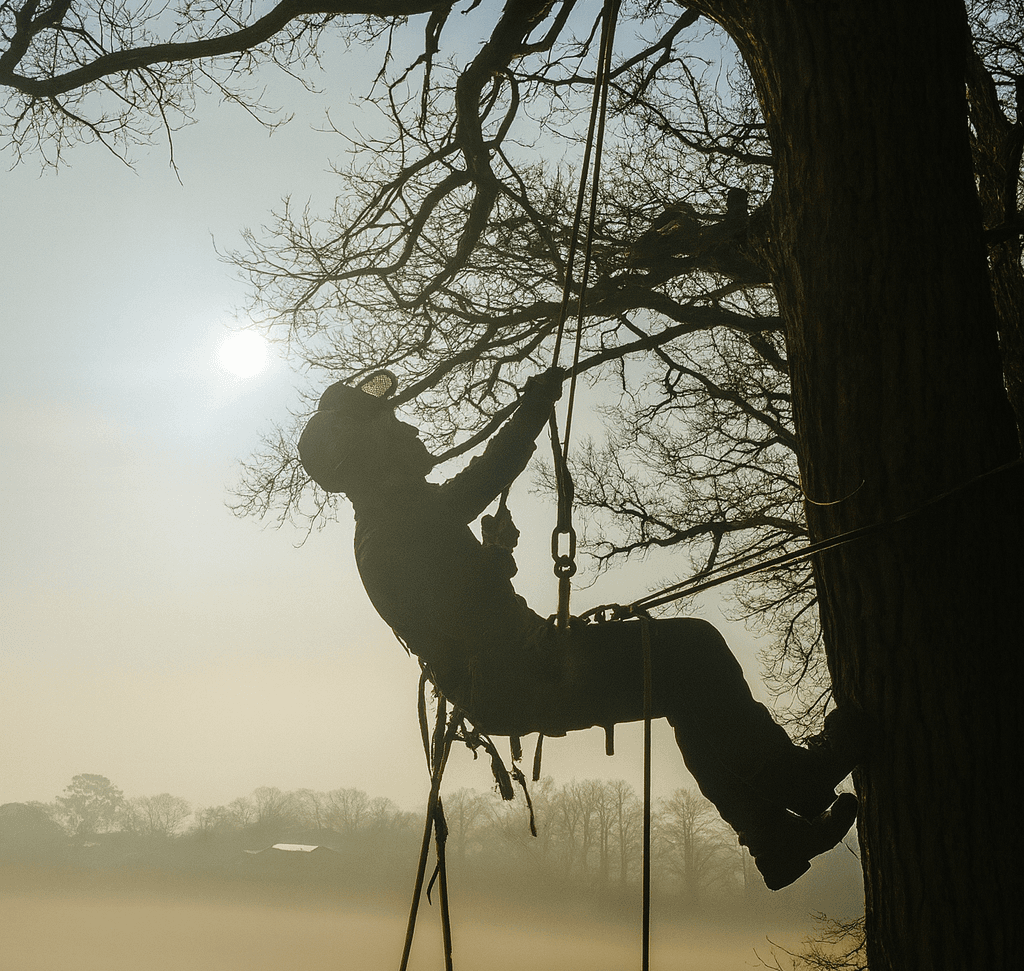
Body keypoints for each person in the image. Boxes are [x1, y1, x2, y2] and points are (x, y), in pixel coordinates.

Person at [298, 368, 862, 889]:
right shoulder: (399, 519)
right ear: (366, 455)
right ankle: (795, 786)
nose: (409, 428)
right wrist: (533, 406)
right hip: (530, 673)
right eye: (390, 427)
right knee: (693, 651)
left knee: (679, 679)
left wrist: (493, 557)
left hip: (517, 676)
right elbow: (484, 480)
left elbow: (459, 608)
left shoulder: (389, 525)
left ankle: (773, 837)